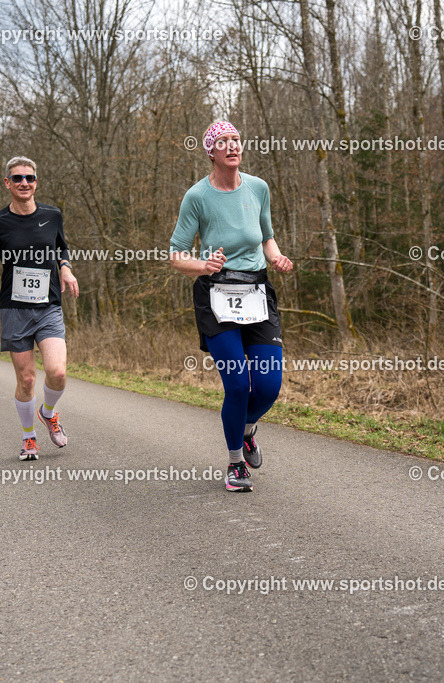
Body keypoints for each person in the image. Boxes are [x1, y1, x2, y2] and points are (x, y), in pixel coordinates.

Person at [169, 121, 294, 492]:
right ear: (210, 151)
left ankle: (248, 429)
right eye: (222, 142)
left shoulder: (258, 188)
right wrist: (203, 265)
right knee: (238, 383)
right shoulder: (197, 196)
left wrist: (277, 257)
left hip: (257, 292)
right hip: (216, 294)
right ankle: (235, 463)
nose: (231, 146)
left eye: (236, 140)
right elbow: (176, 255)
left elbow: (266, 236)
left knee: (269, 385)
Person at [0, 156, 78, 461]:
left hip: (49, 306)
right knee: (27, 379)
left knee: (57, 372)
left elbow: (61, 247)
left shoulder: (52, 215)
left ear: (36, 182)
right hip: (14, 309)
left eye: (30, 178)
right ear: (7, 183)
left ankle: (49, 413)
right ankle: (29, 438)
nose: (24, 183)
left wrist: (66, 268)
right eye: (17, 178)